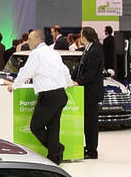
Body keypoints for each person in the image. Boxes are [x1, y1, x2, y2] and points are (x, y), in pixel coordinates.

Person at [7, 28, 71, 164]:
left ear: (37, 40)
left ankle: (57, 149)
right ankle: (54, 157)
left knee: (36, 126)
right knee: (54, 126)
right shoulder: (53, 52)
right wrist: (69, 83)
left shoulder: (37, 54)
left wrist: (14, 85)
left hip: (49, 95)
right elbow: (65, 70)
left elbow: (26, 72)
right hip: (60, 94)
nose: (27, 41)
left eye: (30, 39)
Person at [72, 27, 105, 159]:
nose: (80, 38)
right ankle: (89, 147)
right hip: (87, 93)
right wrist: (72, 78)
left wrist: (78, 82)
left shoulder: (95, 50)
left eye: (81, 35)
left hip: (91, 93)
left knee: (91, 124)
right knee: (87, 122)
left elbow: (90, 73)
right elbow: (81, 67)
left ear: (84, 37)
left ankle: (92, 151)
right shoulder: (89, 48)